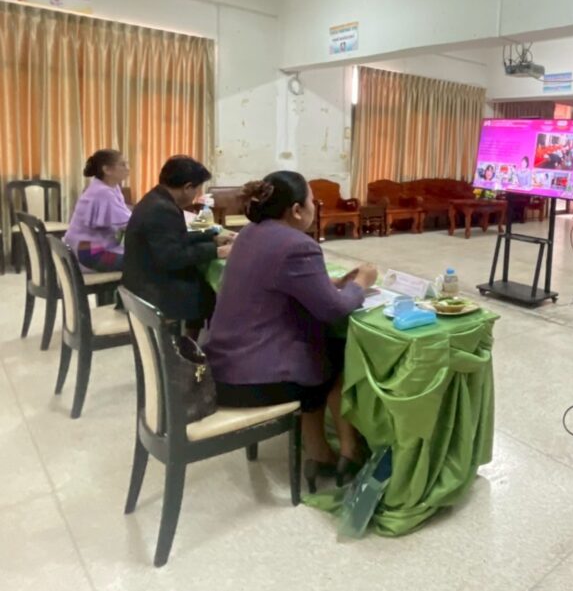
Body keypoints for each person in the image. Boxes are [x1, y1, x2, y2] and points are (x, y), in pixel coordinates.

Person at [203, 172, 377, 488]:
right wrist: (361, 283)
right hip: (253, 377)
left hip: (224, 361)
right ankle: (349, 450)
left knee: (322, 353)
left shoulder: (249, 233)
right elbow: (334, 310)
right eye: (312, 201)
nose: (314, 207)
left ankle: (319, 452)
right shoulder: (297, 244)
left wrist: (329, 283)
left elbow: (273, 279)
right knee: (338, 356)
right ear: (297, 210)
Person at [122, 155, 232, 336]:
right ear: (187, 187)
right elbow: (172, 257)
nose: (196, 195)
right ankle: (193, 345)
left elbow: (174, 237)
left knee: (203, 283)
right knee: (213, 292)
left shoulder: (156, 198)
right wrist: (217, 251)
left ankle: (191, 341)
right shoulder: (162, 208)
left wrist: (212, 237)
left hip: (142, 277)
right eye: (197, 189)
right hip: (151, 288)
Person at [64, 149, 132, 272]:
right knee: (141, 263)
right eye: (122, 164)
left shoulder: (110, 187)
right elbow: (129, 223)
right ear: (107, 170)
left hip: (88, 248)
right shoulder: (102, 192)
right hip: (90, 254)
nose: (128, 168)